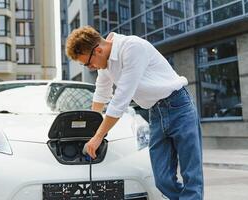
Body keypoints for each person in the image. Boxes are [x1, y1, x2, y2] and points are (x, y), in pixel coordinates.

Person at [65, 26, 203, 200]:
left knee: (192, 176)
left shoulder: (132, 48)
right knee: (162, 179)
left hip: (179, 107)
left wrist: (99, 136)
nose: (90, 67)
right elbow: (102, 92)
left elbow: (121, 98)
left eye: (87, 63)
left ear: (98, 50)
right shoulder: (105, 63)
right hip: (156, 113)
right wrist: (91, 129)